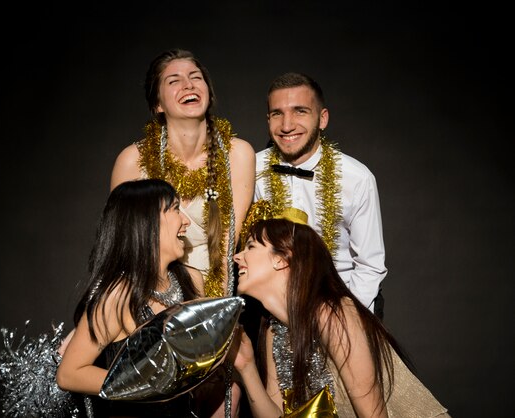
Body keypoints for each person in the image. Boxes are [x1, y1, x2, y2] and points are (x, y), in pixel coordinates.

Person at [232, 209, 451, 417]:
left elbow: (373, 415)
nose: (237, 257)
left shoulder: (333, 313)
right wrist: (247, 367)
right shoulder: (274, 331)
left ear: (281, 259)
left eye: (250, 247)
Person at [110, 48, 255, 299]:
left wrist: (215, 314)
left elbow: (226, 247)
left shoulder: (237, 153)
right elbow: (125, 250)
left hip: (215, 292)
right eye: (174, 81)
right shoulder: (132, 161)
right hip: (150, 295)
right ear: (157, 104)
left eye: (196, 77)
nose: (188, 85)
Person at [56, 178, 203, 417]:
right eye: (176, 209)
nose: (186, 221)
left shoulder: (192, 280)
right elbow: (69, 374)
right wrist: (147, 383)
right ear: (148, 222)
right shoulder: (117, 295)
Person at [245, 72, 386, 318]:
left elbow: (369, 265)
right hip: (269, 308)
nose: (287, 125)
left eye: (300, 111)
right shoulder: (249, 169)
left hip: (340, 303)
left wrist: (344, 321)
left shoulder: (357, 178)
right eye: (277, 113)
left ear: (322, 119)